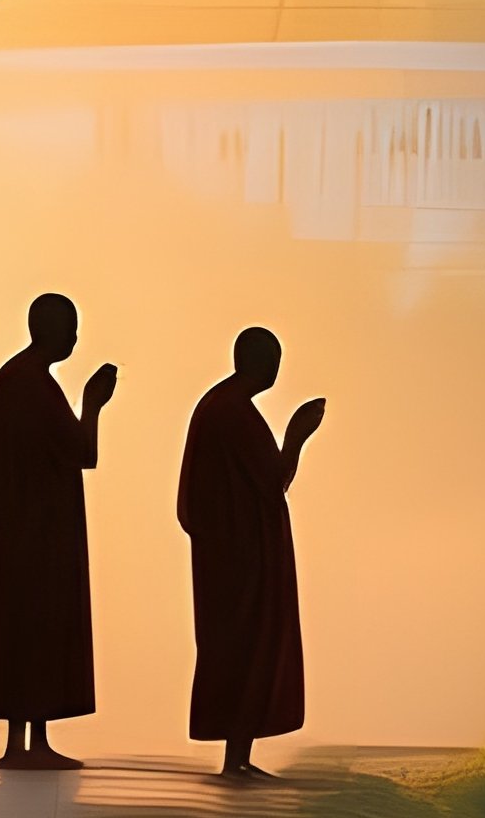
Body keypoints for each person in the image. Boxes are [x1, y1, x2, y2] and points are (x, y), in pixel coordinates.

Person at [0, 294, 118, 771]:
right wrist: (93, 405)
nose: (74, 338)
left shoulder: (14, 382)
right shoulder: (32, 386)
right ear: (47, 329)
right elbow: (82, 451)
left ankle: (31, 737)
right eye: (69, 328)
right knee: (35, 628)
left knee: (28, 630)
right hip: (40, 534)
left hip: (25, 530)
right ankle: (25, 739)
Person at [176, 328, 324, 780]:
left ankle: (237, 754)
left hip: (233, 551)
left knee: (240, 649)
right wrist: (298, 435)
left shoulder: (221, 407)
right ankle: (235, 757)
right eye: (272, 360)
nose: (276, 370)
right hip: (241, 557)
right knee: (248, 648)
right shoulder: (233, 413)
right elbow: (272, 477)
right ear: (256, 362)